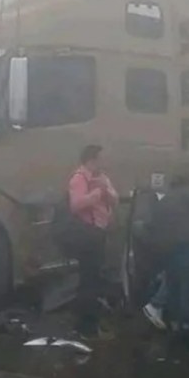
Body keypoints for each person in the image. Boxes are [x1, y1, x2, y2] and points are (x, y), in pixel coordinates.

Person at [142, 175, 189, 333]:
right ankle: (183, 321)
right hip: (184, 244)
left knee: (174, 279)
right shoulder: (187, 193)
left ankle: (172, 319)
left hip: (166, 246)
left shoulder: (167, 198)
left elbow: (151, 224)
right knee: (188, 281)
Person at [66, 144, 119, 340]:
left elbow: (114, 199)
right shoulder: (79, 179)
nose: (103, 163)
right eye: (100, 159)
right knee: (88, 279)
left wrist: (107, 192)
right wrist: (97, 194)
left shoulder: (103, 178)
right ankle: (85, 327)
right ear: (91, 160)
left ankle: (89, 324)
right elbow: (76, 205)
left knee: (94, 278)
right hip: (87, 234)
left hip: (100, 232)